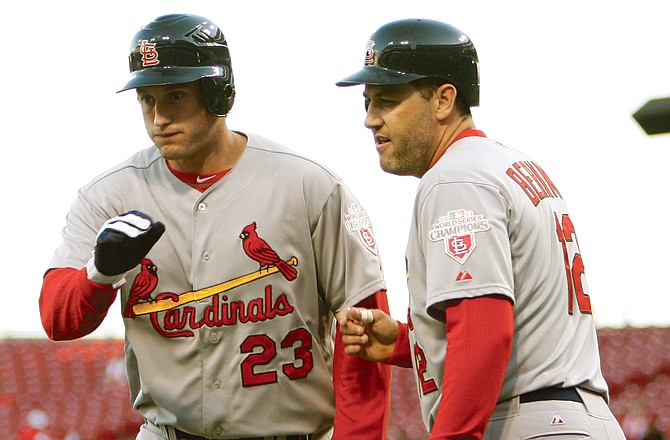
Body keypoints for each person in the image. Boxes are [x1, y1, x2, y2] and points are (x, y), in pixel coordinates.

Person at [39, 13, 391, 440]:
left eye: (174, 96)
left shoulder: (307, 185)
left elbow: (364, 327)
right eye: (146, 100)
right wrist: (100, 273)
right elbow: (58, 320)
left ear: (218, 94)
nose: (158, 118)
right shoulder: (110, 194)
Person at [334, 18, 626, 439]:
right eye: (368, 102)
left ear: (443, 100)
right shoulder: (506, 165)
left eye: (388, 99)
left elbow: (485, 333)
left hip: (526, 422)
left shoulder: (457, 179)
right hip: (574, 418)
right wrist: (403, 343)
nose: (371, 119)